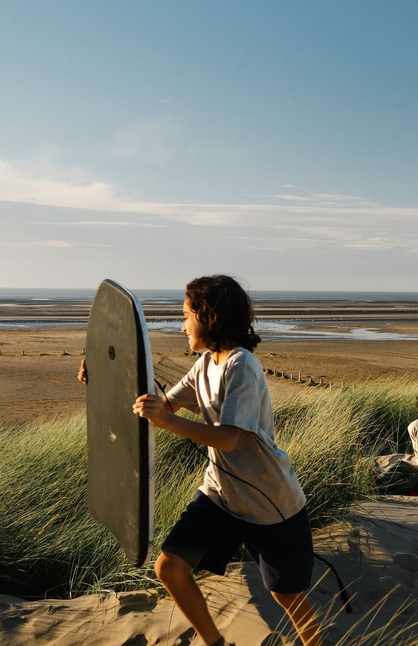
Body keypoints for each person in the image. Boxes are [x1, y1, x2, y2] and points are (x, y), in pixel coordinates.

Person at [131, 276, 322, 646]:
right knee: (169, 567)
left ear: (208, 316)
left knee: (286, 595)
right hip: (220, 492)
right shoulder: (204, 365)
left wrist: (168, 421)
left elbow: (228, 438)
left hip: (269, 502)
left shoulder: (242, 366)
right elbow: (160, 407)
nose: (182, 324)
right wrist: (109, 378)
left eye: (186, 315)